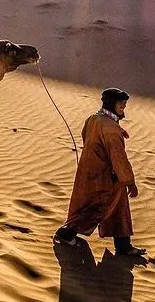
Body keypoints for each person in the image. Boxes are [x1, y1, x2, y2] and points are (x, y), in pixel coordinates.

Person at [54, 88, 146, 257]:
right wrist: (130, 181)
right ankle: (65, 234)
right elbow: (118, 157)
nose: (123, 107)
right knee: (97, 208)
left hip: (92, 172)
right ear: (111, 104)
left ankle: (124, 246)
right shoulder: (110, 129)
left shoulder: (94, 119)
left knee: (119, 208)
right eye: (121, 104)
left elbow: (86, 138)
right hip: (105, 178)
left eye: (124, 104)